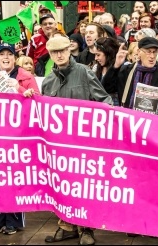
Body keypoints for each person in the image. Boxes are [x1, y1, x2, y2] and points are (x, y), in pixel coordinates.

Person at [42, 35, 113, 245]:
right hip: (58, 145)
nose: (60, 54)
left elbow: (104, 100)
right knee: (61, 185)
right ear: (50, 54)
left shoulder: (84, 72)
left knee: (83, 186)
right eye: (55, 52)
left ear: (69, 49)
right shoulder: (48, 81)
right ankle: (66, 226)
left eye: (63, 50)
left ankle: (87, 229)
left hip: (84, 144)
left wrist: (107, 119)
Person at [0, 43, 39, 235]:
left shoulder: (26, 77)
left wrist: (20, 90)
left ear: (15, 57)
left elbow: (38, 101)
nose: (6, 57)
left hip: (18, 137)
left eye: (9, 54)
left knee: (15, 178)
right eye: (1, 54)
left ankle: (13, 220)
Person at [102, 37, 158, 117]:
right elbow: (107, 88)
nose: (152, 56)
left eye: (154, 52)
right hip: (128, 121)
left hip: (153, 123)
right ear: (139, 52)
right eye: (148, 52)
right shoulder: (127, 71)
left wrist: (157, 119)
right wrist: (116, 66)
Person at [93, 37, 121, 105]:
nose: (96, 58)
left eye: (98, 55)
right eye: (95, 55)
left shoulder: (122, 68)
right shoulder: (96, 68)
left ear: (108, 53)